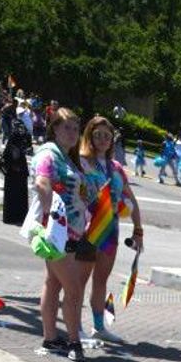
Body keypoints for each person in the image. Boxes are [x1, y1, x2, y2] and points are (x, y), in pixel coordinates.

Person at [32, 107, 91, 362]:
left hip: (70, 232)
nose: (72, 133)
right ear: (54, 128)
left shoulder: (68, 158)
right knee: (74, 289)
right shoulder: (48, 153)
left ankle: (50, 338)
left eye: (76, 129)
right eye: (66, 127)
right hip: (58, 234)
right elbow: (41, 182)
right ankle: (73, 342)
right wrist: (52, 220)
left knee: (53, 283)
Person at [78, 115, 144, 342]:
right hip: (87, 229)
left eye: (107, 135)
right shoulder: (82, 161)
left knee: (100, 281)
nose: (103, 139)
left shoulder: (116, 167)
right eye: (98, 135)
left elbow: (131, 201)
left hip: (110, 232)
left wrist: (138, 229)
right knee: (79, 281)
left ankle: (99, 327)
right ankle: (75, 326)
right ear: (90, 136)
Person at [0, 118, 32, 226]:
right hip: (21, 169)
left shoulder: (14, 136)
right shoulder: (24, 135)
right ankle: (20, 216)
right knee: (21, 194)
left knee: (11, 195)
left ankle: (10, 217)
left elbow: (7, 154)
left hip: (12, 170)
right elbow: (28, 147)